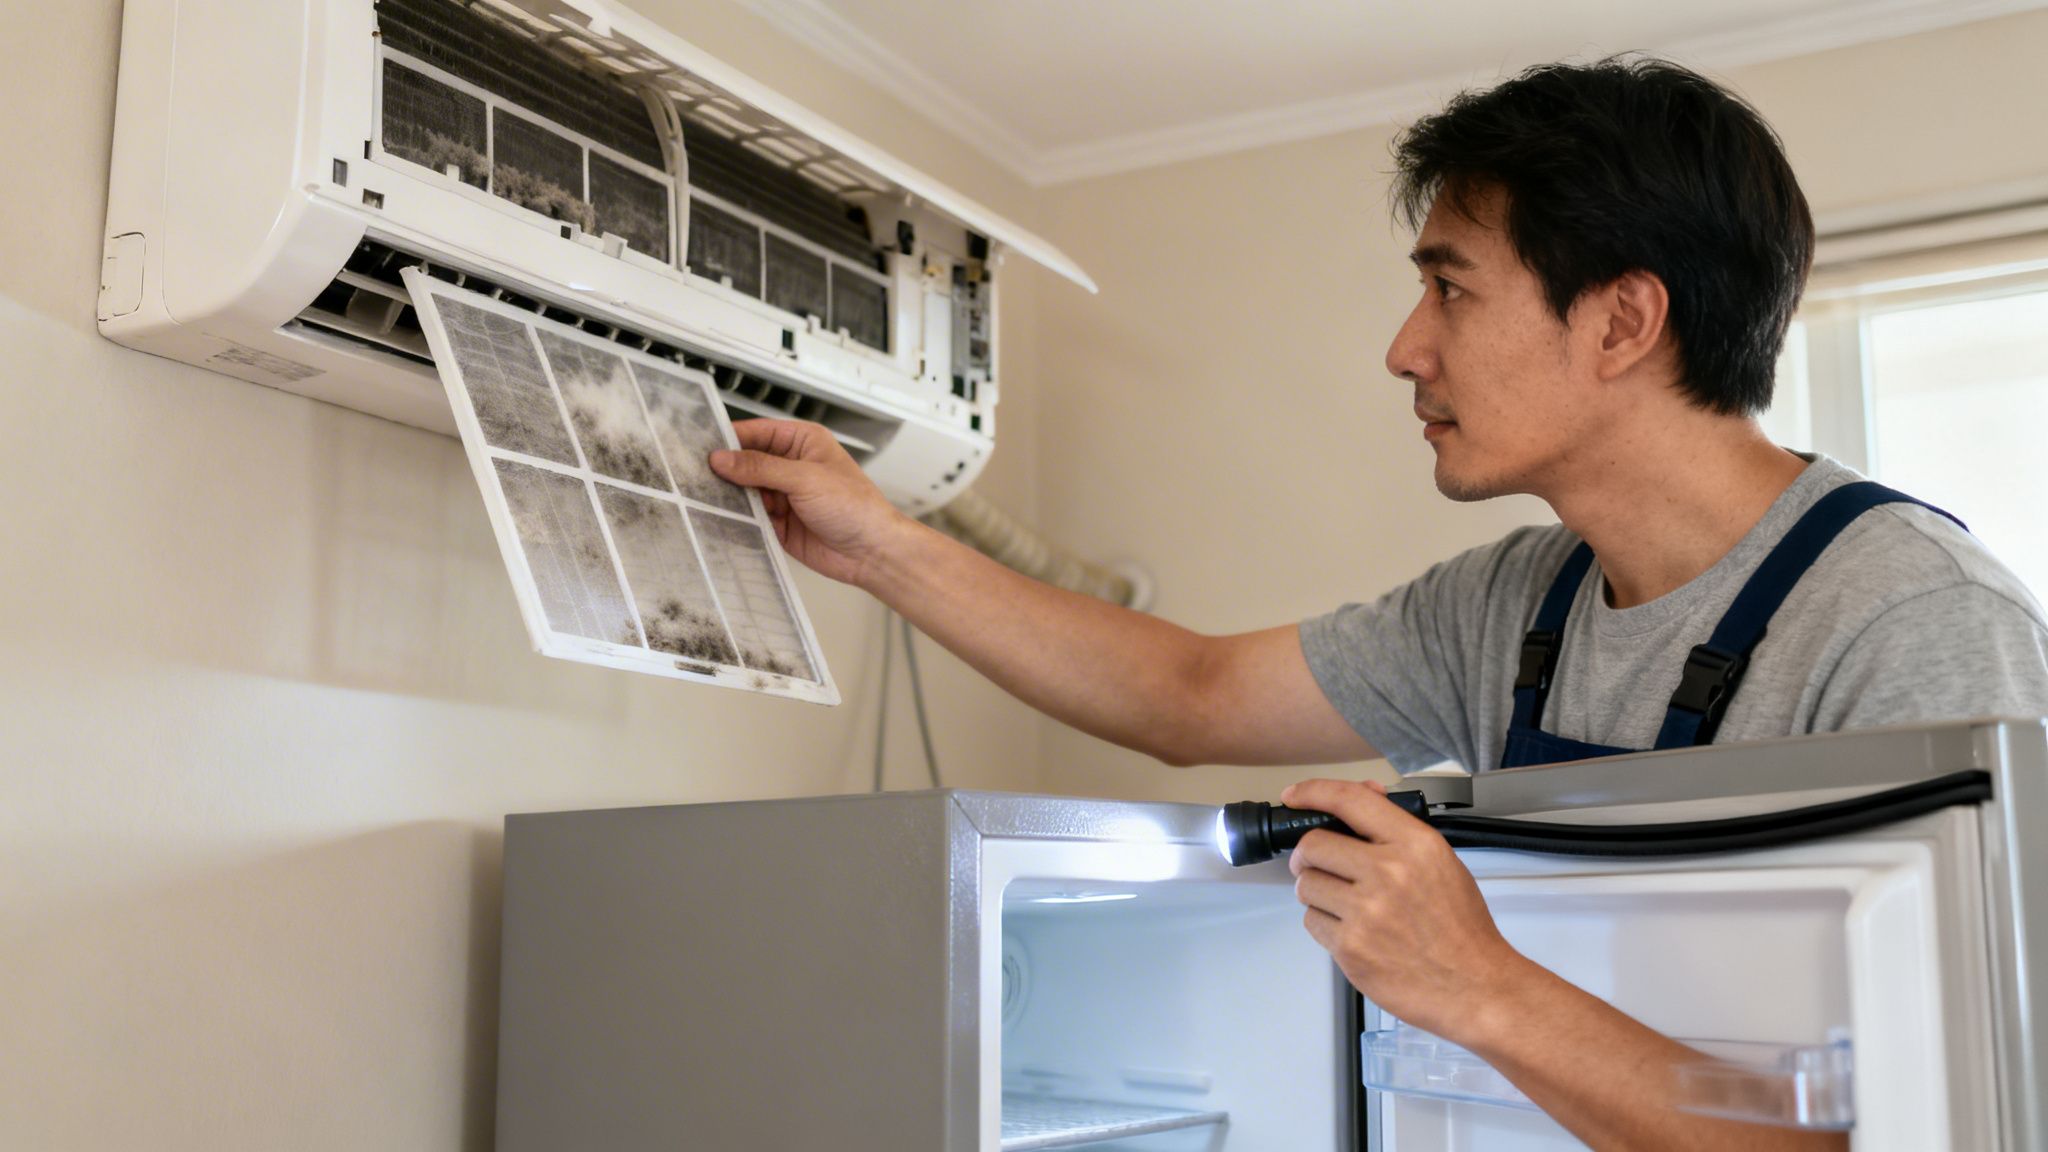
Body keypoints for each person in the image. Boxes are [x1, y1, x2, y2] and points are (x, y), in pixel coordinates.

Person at [710, 57, 2048, 1150]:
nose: (1406, 349)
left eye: (1450, 286)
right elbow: (1189, 697)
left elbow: (1957, 1129)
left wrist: (1476, 984)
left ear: (1623, 322)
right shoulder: (1519, 607)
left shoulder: (1911, 624)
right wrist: (877, 545)